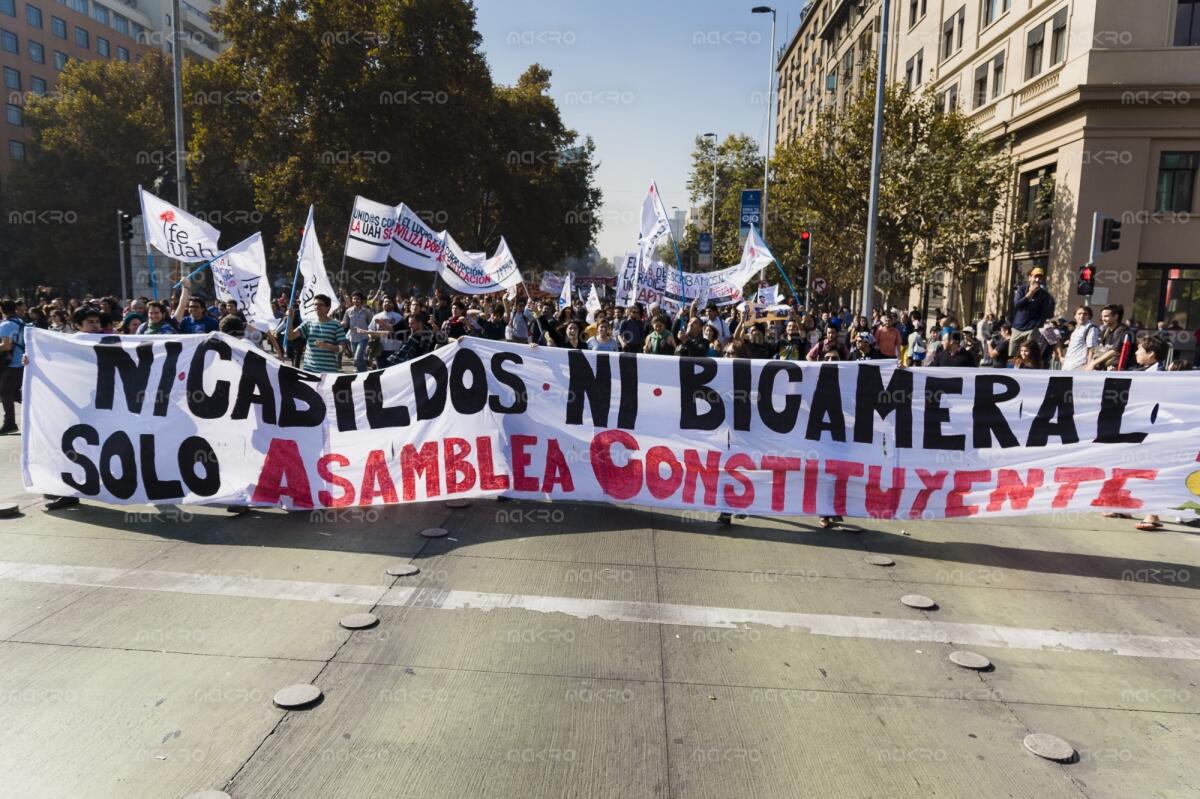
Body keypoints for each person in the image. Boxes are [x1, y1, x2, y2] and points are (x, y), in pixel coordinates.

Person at [287, 293, 349, 373]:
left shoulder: (336, 325)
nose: (317, 307)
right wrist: (290, 319)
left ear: (328, 307)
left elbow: (342, 348)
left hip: (328, 372)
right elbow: (290, 336)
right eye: (315, 304)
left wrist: (328, 346)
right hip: (309, 370)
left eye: (320, 305)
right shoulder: (308, 323)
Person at [1010, 267, 1055, 353]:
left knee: (1029, 354)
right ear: (1030, 277)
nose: (1037, 279)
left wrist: (1037, 325)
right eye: (1035, 276)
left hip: (1031, 329)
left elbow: (1045, 312)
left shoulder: (1044, 295)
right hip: (1017, 328)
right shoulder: (1022, 290)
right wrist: (1030, 293)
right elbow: (1017, 305)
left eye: (1040, 277)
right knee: (1013, 355)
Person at [0, 299, 26, 435]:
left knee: (5, 392)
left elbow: (7, 346)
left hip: (13, 364)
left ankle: (10, 423)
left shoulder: (6, 325)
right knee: (15, 394)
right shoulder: (20, 321)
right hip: (21, 362)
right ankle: (42, 414)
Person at [1085, 304, 1129, 371]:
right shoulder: (1106, 331)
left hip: (1120, 370)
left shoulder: (1122, 330)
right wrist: (1091, 362)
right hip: (1106, 368)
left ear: (1116, 316)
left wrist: (1093, 363)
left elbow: (1114, 351)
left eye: (1106, 316)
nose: (1103, 319)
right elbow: (1101, 348)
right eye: (1102, 316)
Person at [1062, 306, 1101, 370]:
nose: (1082, 316)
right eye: (1079, 314)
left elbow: (1092, 349)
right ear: (1075, 316)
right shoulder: (1077, 329)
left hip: (1080, 366)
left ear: (1089, 316)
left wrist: (1089, 366)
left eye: (1085, 314)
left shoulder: (1091, 328)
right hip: (1069, 365)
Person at [343, 292, 373, 372]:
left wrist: (371, 335)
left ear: (361, 300)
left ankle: (361, 372)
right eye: (354, 299)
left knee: (357, 358)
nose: (356, 300)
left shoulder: (367, 311)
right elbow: (345, 323)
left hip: (364, 338)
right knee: (359, 359)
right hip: (352, 338)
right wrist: (341, 324)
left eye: (357, 299)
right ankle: (363, 373)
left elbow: (371, 324)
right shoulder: (348, 311)